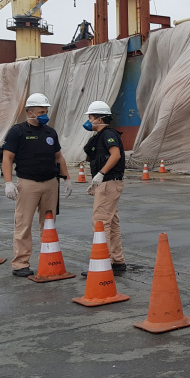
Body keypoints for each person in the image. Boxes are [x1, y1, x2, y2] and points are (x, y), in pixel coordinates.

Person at [1, 93, 72, 277]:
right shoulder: (17, 132)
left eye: (46, 112)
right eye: (41, 112)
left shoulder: (50, 133)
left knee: (48, 224)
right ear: (30, 112)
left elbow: (58, 156)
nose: (44, 115)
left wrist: (67, 178)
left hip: (50, 183)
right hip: (28, 184)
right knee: (23, 224)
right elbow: (7, 158)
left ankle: (49, 260)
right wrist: (8, 183)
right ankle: (21, 264)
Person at [83, 101, 126, 273]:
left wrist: (101, 173)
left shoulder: (108, 134)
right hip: (107, 183)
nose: (88, 121)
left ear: (99, 119)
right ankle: (117, 261)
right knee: (112, 223)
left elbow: (115, 155)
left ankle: (102, 263)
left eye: (90, 117)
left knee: (100, 222)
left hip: (108, 182)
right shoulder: (99, 137)